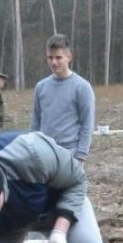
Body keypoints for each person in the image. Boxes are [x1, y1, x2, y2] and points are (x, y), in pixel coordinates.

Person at [29, 34, 95, 162]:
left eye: (58, 57)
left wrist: (81, 155)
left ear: (69, 57)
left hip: (70, 154)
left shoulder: (82, 87)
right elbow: (35, 123)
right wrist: (32, 149)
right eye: (50, 57)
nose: (54, 62)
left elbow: (87, 124)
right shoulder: (40, 87)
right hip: (44, 153)